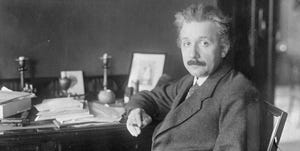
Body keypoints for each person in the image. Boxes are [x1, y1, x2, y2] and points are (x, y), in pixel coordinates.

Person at [125, 3, 260, 151]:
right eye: (187, 43)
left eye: (204, 43)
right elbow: (151, 97)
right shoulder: (191, 81)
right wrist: (136, 110)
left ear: (223, 48)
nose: (192, 54)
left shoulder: (237, 90)